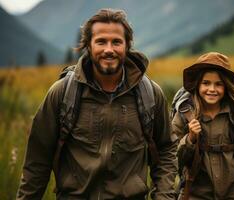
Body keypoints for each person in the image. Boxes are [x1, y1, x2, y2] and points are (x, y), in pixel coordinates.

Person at [17, 9, 178, 200]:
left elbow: (167, 150)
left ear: (127, 46)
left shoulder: (150, 95)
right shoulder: (62, 93)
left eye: (116, 42)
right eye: (101, 41)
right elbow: (37, 161)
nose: (108, 49)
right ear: (88, 46)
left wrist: (164, 197)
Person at [172, 52, 234, 199]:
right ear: (197, 84)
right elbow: (172, 159)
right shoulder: (184, 114)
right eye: (206, 83)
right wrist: (190, 139)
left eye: (218, 84)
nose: (212, 89)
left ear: (226, 86)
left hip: (233, 194)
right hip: (195, 194)